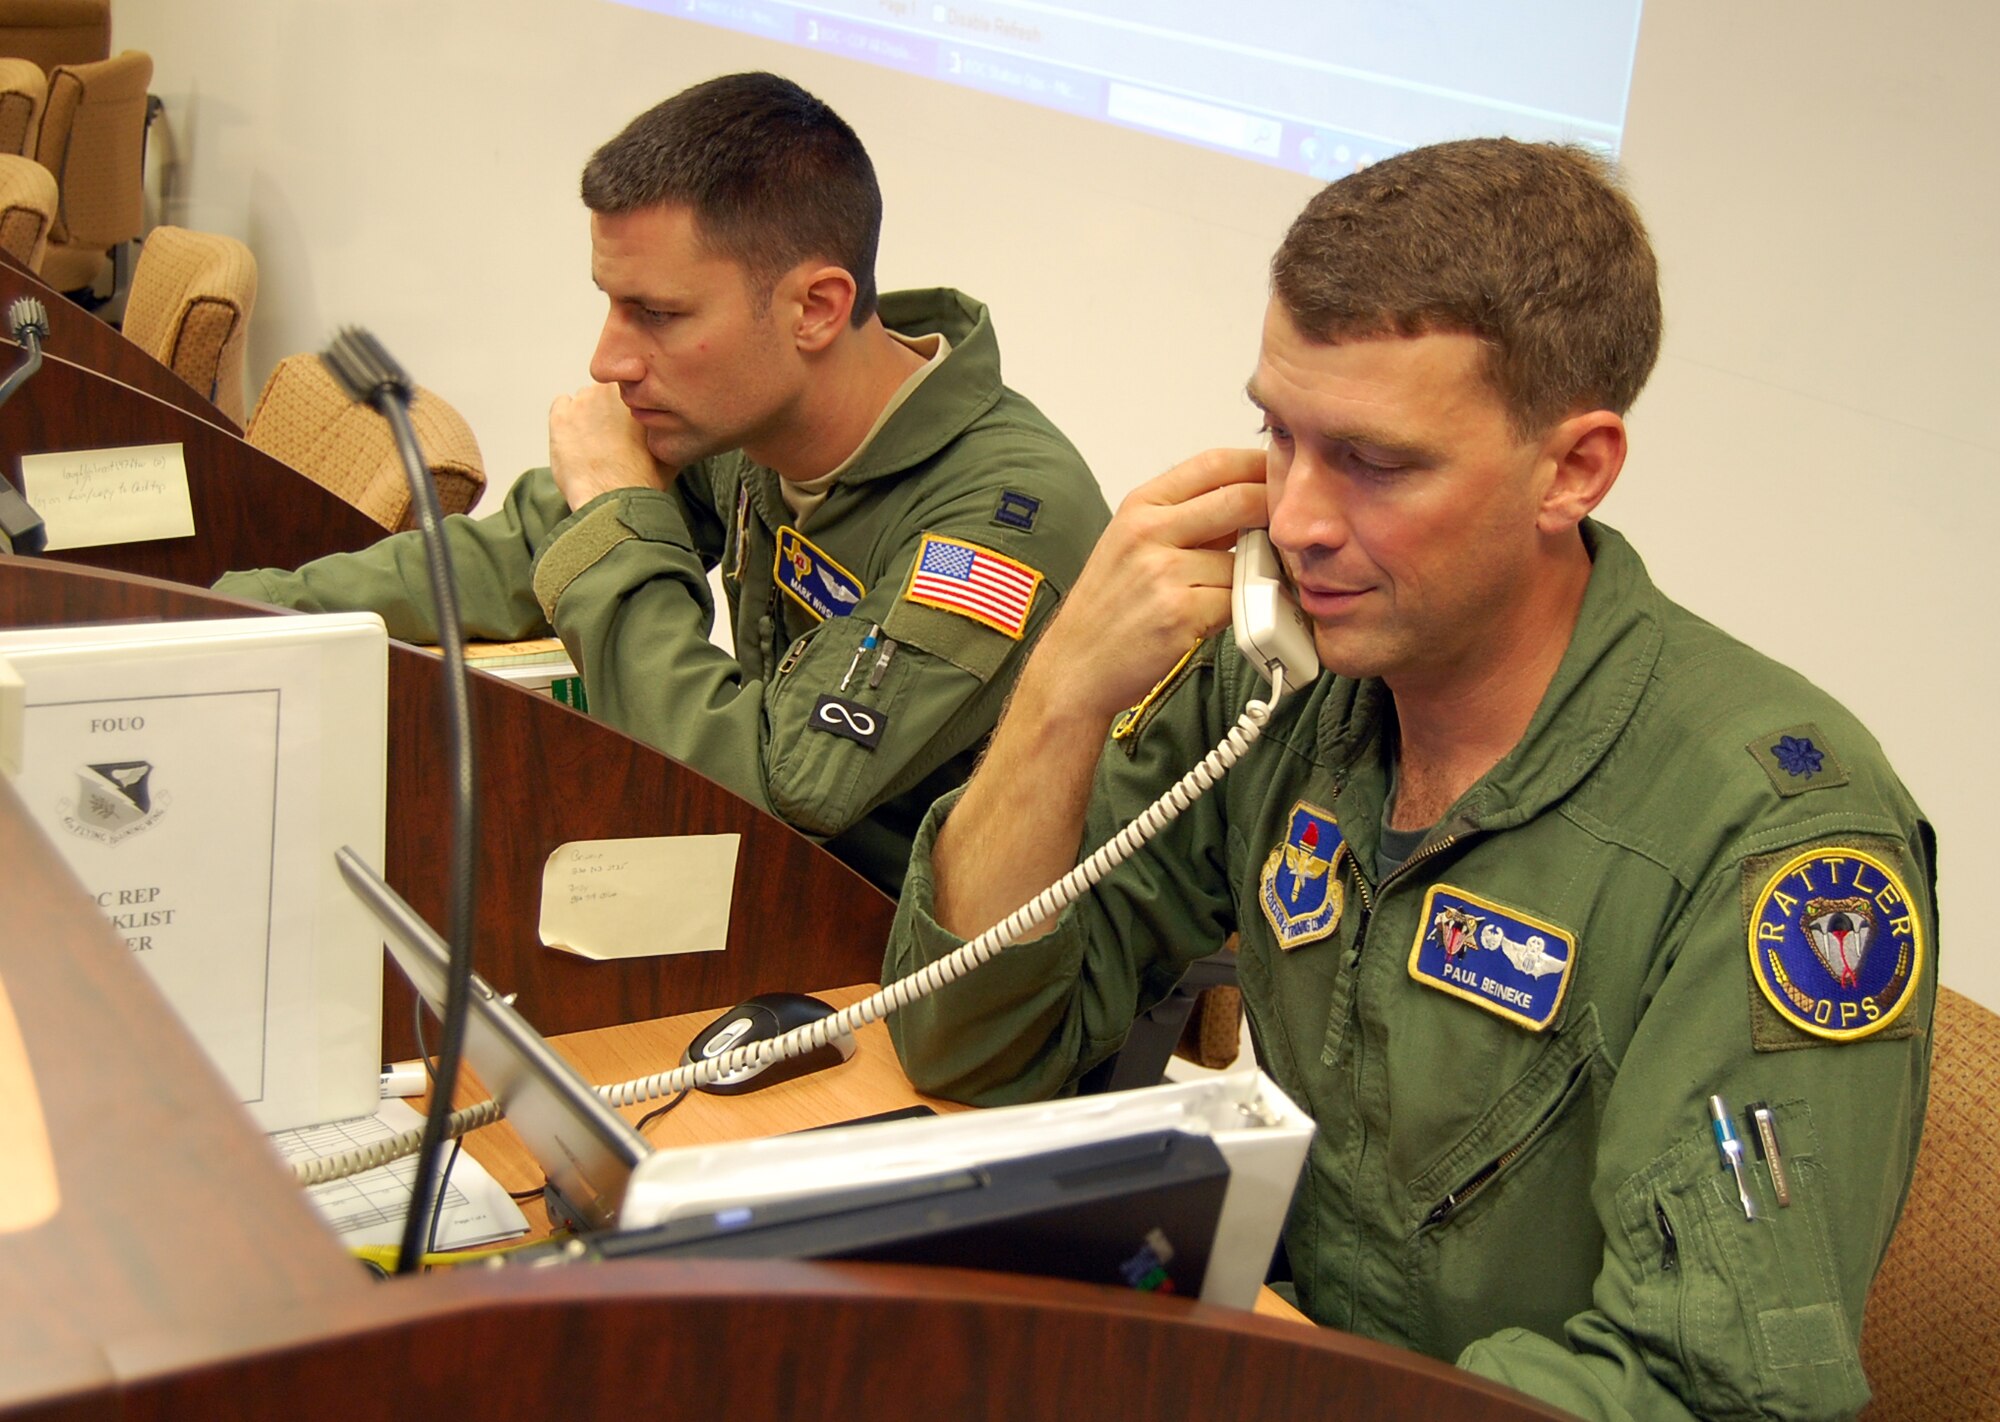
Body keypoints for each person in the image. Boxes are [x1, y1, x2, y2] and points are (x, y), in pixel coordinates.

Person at [884, 139, 1935, 1421]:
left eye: (1374, 462)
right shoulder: (1284, 681)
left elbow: (1703, 1389)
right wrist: (1059, 694)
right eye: (1278, 433)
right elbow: (970, 1040)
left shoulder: (1773, 838)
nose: (1299, 517)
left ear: (1573, 469)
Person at [215, 73, 1108, 894]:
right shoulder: (747, 415)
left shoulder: (998, 523)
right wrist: (218, 615)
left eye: (659, 315)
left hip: (915, 971)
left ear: (816, 308)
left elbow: (770, 791)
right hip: (771, 894)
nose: (608, 358)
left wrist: (614, 514)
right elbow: (517, 555)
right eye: (612, 303)